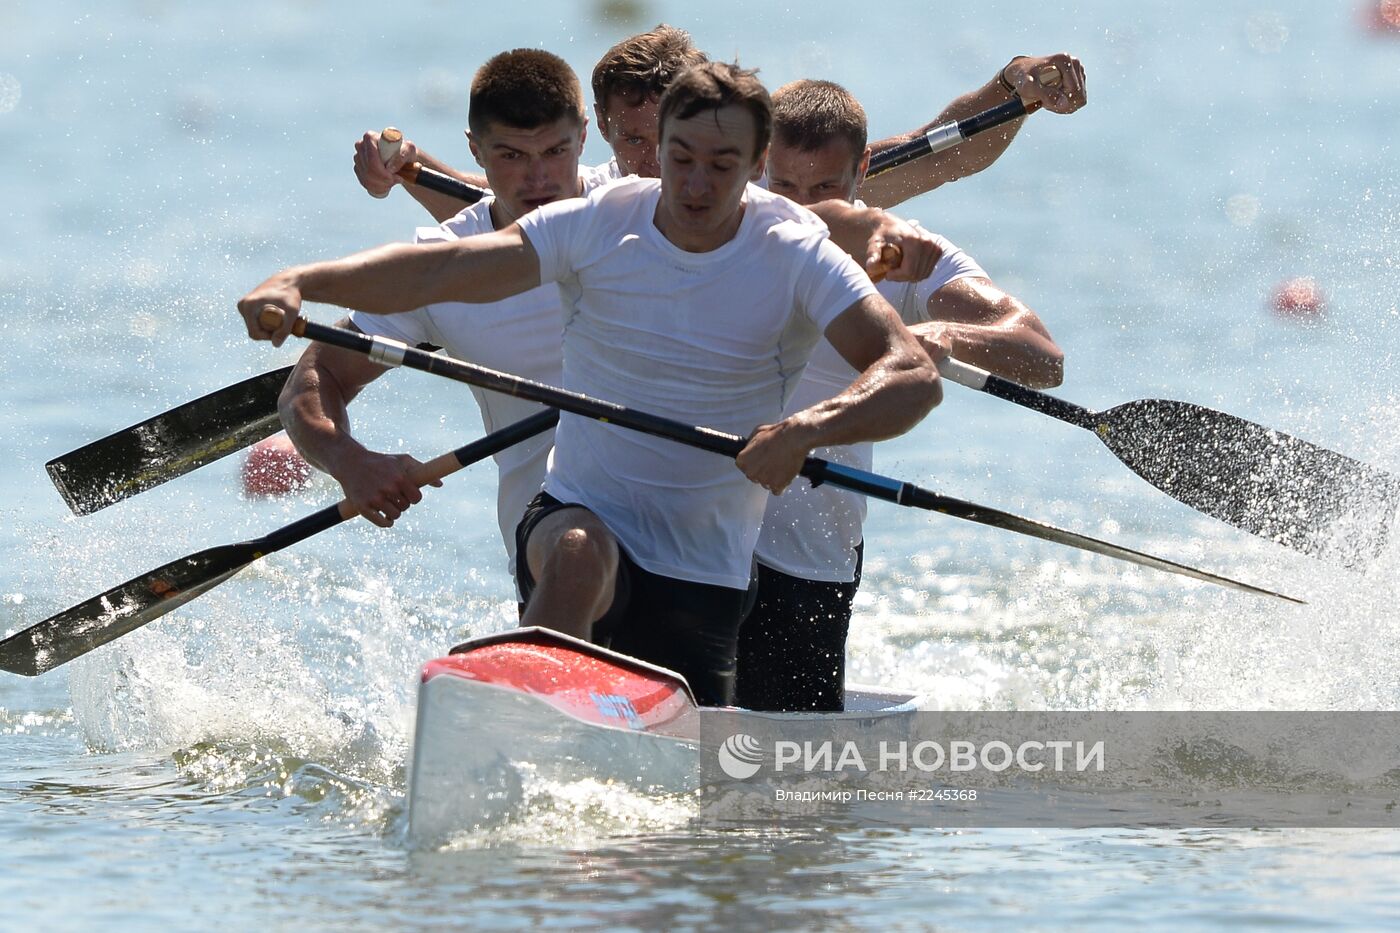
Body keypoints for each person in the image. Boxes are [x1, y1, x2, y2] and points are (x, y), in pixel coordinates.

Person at [239, 62, 942, 708]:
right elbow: (438, 270)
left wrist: (808, 430)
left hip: (708, 570)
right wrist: (302, 280)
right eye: (682, 160)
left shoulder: (796, 253)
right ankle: (523, 714)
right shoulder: (601, 221)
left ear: (757, 165)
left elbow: (910, 373)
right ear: (654, 150)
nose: (698, 185)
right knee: (578, 548)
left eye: (723, 166)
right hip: (577, 514)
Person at [736, 79, 1067, 712]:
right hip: (696, 536)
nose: (804, 213)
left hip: (810, 554)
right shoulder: (710, 222)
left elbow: (1040, 355)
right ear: (756, 165)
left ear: (862, 171)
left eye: (825, 190)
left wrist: (945, 334)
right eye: (784, 189)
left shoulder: (898, 253)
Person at [279, 48, 600, 586]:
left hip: (692, 532)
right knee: (577, 553)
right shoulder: (437, 270)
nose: (539, 178)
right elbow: (310, 385)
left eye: (555, 151)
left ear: (584, 137)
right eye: (512, 157)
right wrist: (349, 461)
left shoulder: (643, 210)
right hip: (551, 536)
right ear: (476, 150)